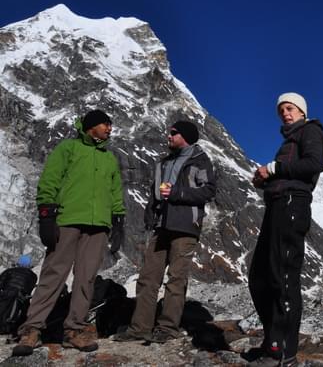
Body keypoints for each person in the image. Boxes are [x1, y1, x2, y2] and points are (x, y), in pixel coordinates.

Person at [13, 110, 126, 356]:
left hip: (98, 226)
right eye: (104, 124)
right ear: (90, 127)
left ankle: (74, 329)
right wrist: (46, 213)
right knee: (54, 274)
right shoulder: (68, 148)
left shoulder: (109, 159)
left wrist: (118, 220)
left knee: (86, 278)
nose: (109, 128)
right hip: (68, 219)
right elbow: (50, 179)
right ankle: (31, 329)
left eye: (110, 124)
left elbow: (115, 191)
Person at [113, 120, 216, 344]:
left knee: (176, 279)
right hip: (161, 226)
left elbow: (208, 191)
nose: (168, 136)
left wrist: (177, 192)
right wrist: (150, 212)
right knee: (148, 277)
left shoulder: (199, 161)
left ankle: (167, 328)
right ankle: (140, 328)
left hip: (185, 226)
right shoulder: (163, 163)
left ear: (185, 136)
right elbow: (155, 193)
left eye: (173, 133)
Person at [247, 92, 323, 367]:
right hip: (278, 205)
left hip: (293, 205)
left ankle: (283, 352)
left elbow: (312, 164)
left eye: (290, 108)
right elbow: (287, 172)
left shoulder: (311, 131)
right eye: (281, 109)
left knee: (282, 276)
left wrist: (274, 167)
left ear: (303, 111)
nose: (285, 112)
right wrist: (265, 181)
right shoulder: (290, 139)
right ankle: (272, 339)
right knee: (260, 275)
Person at [0, 255, 38, 335]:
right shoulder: (33, 275)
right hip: (22, 297)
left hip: (6, 294)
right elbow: (29, 288)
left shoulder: (9, 271)